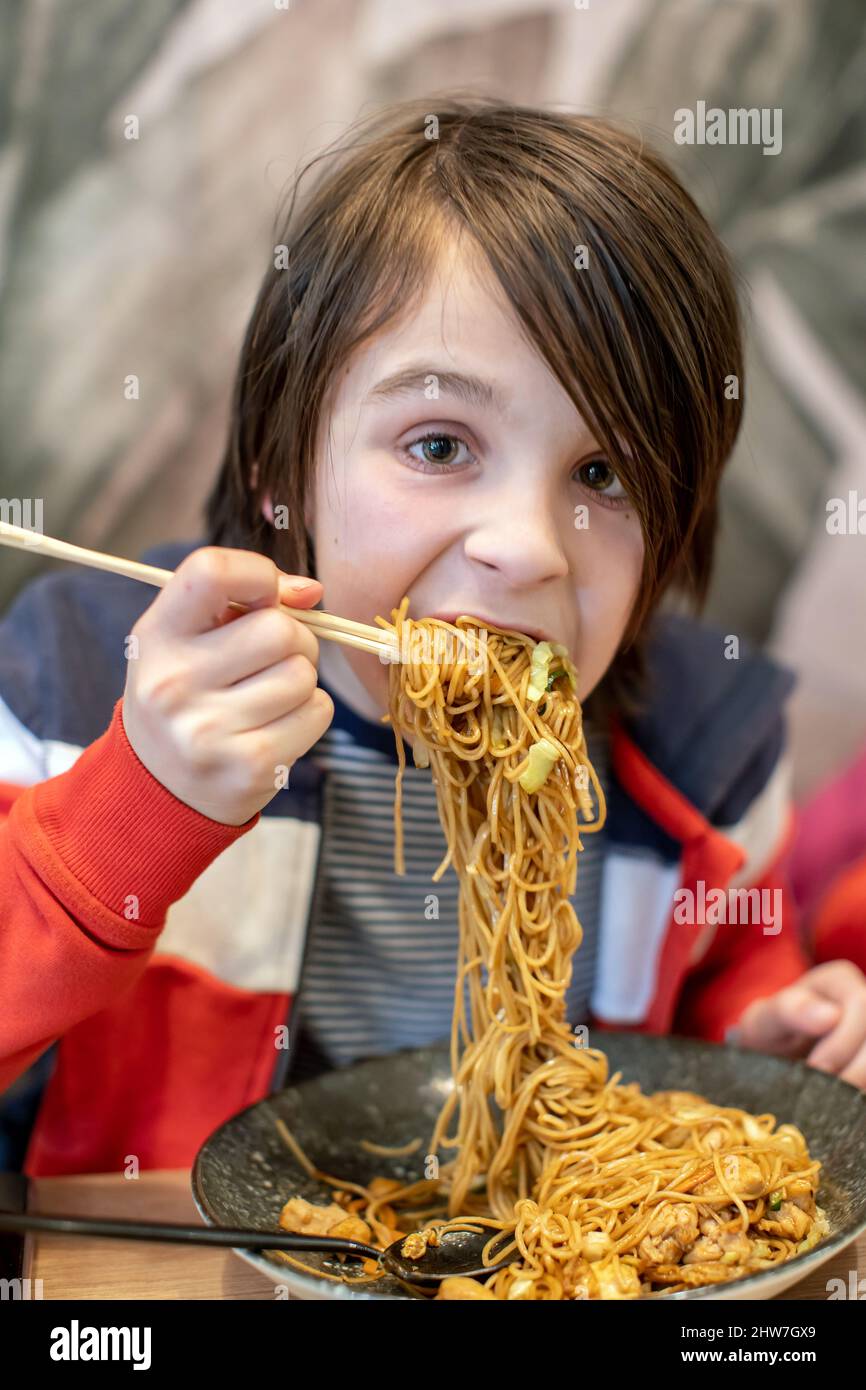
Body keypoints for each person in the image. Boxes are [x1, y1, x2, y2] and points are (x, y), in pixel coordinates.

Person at [2, 96, 864, 1178]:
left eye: (602, 474)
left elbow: (720, 962)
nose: (525, 546)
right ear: (281, 467)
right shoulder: (86, 683)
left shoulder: (702, 743)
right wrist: (141, 800)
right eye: (439, 443)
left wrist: (761, 1038)